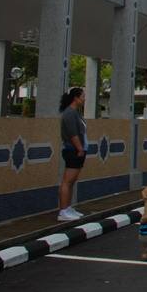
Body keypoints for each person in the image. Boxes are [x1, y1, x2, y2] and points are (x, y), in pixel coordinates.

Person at [57, 87, 87, 221]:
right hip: (72, 150)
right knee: (67, 181)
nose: (84, 99)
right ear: (76, 98)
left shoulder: (76, 113)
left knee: (72, 181)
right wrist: (79, 148)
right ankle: (63, 211)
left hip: (77, 150)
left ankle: (68, 207)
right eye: (83, 96)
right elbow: (73, 133)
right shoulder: (69, 113)